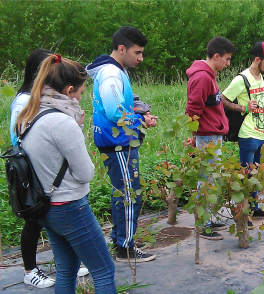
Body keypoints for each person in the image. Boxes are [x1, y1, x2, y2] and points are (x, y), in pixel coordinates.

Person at [15, 53, 116, 294]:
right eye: (81, 93)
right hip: (71, 207)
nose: (81, 98)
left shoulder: (30, 115)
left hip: (46, 207)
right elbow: (84, 173)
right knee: (104, 271)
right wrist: (77, 131)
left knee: (67, 270)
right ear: (69, 90)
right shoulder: (62, 123)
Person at [10, 49, 89, 289]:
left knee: (45, 222)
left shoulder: (43, 101)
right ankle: (30, 269)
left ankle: (66, 262)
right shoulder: (26, 100)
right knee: (34, 221)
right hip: (34, 171)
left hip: (41, 170)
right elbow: (21, 135)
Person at [86, 26, 157, 262]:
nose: (141, 58)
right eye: (137, 52)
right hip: (116, 141)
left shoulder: (116, 71)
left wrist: (141, 116)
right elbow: (115, 112)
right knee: (129, 193)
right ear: (122, 48)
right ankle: (125, 247)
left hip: (117, 140)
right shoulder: (112, 74)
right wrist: (140, 120)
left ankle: (119, 237)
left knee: (122, 190)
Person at [221, 41, 264, 223]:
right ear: (257, 59)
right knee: (246, 174)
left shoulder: (263, 79)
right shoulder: (241, 79)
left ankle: (254, 208)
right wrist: (243, 108)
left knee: (256, 174)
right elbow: (222, 99)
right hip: (247, 134)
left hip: (261, 134)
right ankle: (243, 211)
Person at [185, 36, 236, 240]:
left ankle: (208, 217)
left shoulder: (210, 75)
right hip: (206, 137)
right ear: (216, 56)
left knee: (211, 180)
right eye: (227, 59)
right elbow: (192, 109)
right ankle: (202, 225)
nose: (228, 63)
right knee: (205, 181)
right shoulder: (202, 77)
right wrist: (195, 135)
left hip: (213, 135)